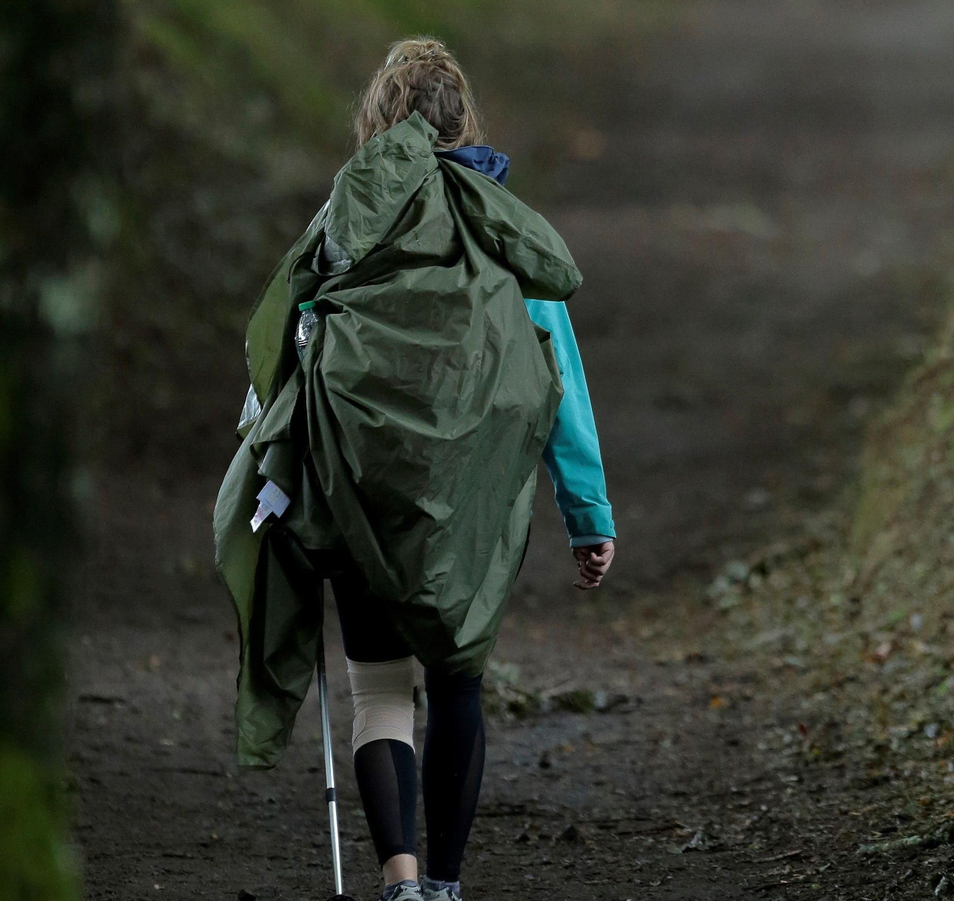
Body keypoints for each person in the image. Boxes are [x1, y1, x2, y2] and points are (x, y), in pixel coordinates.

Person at [213, 37, 615, 901]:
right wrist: (588, 511)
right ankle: (444, 883)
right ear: (464, 120)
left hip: (359, 494)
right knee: (457, 679)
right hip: (471, 504)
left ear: (378, 124)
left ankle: (397, 878)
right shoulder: (502, 224)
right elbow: (558, 378)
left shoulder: (343, 222)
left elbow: (284, 351)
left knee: (381, 692)